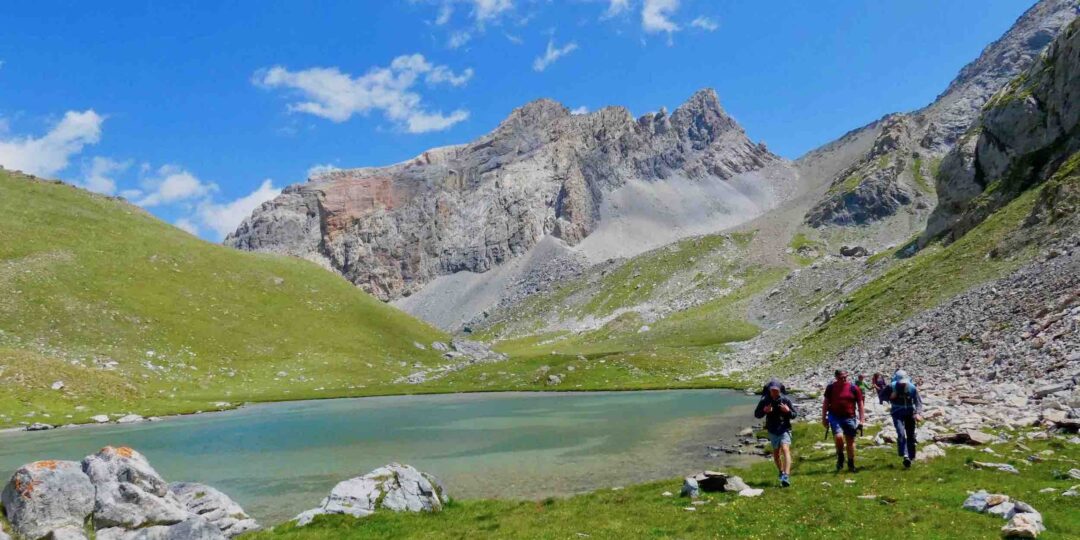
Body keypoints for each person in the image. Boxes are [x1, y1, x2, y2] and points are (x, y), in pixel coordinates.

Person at [754, 378, 798, 487]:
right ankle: (781, 471)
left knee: (785, 449)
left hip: (784, 428)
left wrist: (787, 411)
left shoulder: (785, 400)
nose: (774, 392)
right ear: (769, 390)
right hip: (772, 430)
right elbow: (757, 414)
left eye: (776, 390)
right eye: (772, 390)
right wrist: (765, 411)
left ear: (780, 390)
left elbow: (794, 414)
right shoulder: (765, 400)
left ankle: (786, 476)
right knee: (776, 453)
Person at [822, 369, 865, 472]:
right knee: (839, 437)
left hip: (850, 417)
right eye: (841, 377)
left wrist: (862, 419)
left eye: (845, 376)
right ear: (836, 377)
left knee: (850, 441)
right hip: (834, 416)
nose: (844, 379)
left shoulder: (854, 388)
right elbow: (826, 403)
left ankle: (851, 464)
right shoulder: (831, 388)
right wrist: (824, 417)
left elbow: (860, 404)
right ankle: (840, 455)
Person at [887, 369, 923, 468]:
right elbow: (882, 397)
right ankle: (905, 456)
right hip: (897, 413)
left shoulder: (912, 388)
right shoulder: (891, 387)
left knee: (910, 435)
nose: (903, 384)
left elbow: (918, 402)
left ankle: (911, 457)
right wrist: (891, 397)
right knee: (901, 433)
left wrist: (918, 413)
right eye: (901, 383)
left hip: (910, 413)